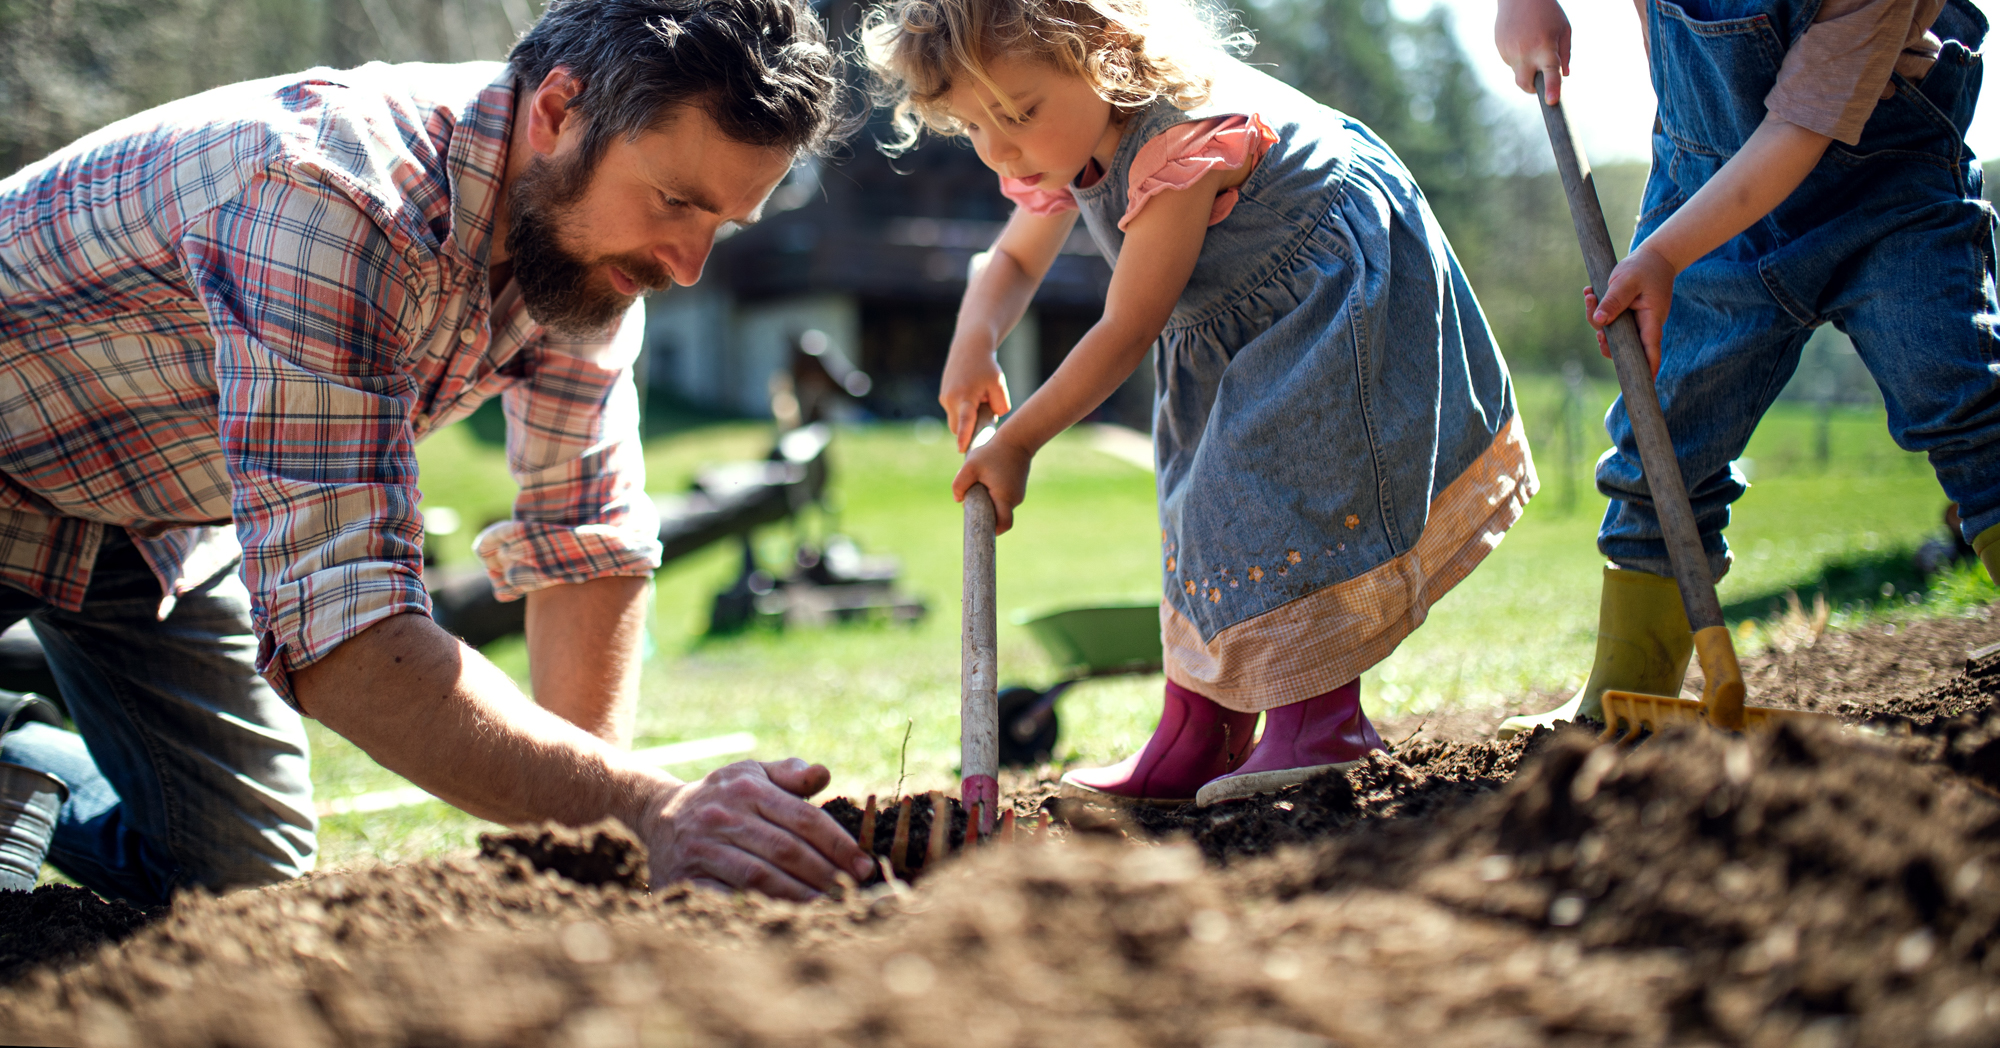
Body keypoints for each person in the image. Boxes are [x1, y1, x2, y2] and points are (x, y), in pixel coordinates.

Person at [0, 0, 875, 903]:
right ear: (558, 112)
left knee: (240, 885)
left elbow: (584, 542)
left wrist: (596, 855)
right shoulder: (327, 193)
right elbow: (343, 633)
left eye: (722, 224)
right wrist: (655, 817)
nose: (689, 264)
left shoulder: (582, 257)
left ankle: (18, 764)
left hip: (146, 516)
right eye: (676, 202)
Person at [864, 0, 1537, 806]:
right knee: (1201, 512)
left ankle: (1322, 722)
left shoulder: (1183, 135)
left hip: (1323, 287)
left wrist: (1020, 441)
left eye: (1018, 114)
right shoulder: (1059, 142)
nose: (1000, 149)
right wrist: (974, 345)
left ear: (1101, 52)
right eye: (976, 126)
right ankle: (1199, 734)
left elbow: (1126, 327)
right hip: (1229, 318)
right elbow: (1008, 261)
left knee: (1280, 495)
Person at [1493, 0, 1999, 737]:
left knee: (1960, 398)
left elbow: (1804, 124)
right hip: (1705, 181)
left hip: (1887, 187)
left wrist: (1664, 254)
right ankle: (1625, 685)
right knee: (1663, 439)